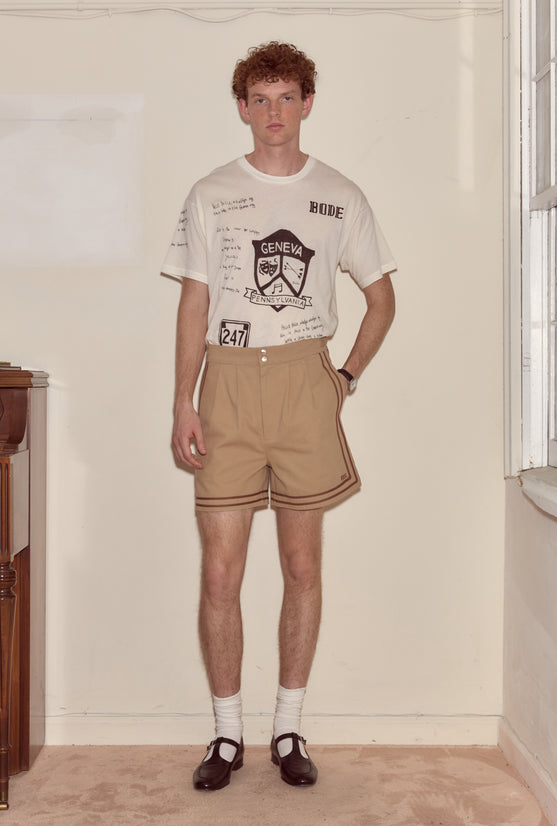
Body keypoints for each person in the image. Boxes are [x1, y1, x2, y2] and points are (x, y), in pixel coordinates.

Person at [163, 41, 396, 791]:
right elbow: (194, 301)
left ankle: (287, 726)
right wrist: (182, 399)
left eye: (285, 98)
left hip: (305, 383)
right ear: (241, 107)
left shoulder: (340, 195)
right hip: (228, 384)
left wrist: (346, 377)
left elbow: (381, 296)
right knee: (221, 572)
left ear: (307, 103)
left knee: (302, 566)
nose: (272, 113)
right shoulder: (209, 193)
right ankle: (227, 735)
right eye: (258, 99)